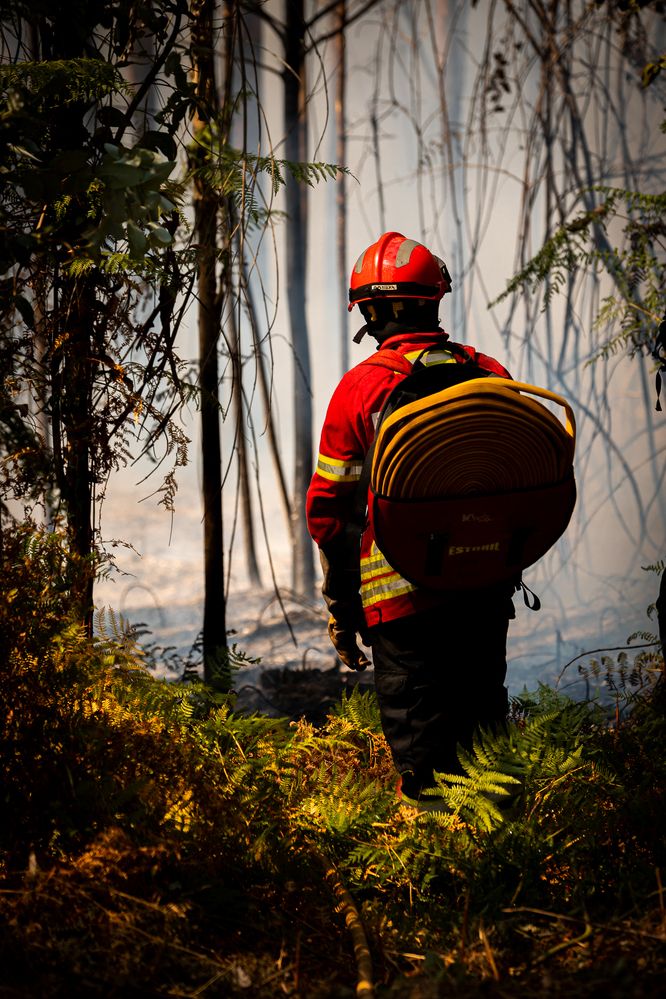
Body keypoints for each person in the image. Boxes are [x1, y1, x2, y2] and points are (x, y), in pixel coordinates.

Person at [306, 232, 517, 804]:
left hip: (402, 604)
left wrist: (342, 609)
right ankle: (503, 856)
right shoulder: (490, 372)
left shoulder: (362, 389)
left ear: (368, 313)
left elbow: (331, 514)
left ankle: (434, 875)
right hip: (484, 586)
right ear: (435, 300)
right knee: (485, 736)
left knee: (424, 761)